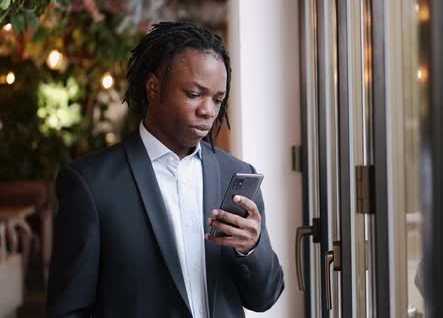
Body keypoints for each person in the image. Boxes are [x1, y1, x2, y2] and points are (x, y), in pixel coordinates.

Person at [46, 21, 285, 318]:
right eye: (194, 94)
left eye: (217, 99)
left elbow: (264, 298)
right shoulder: (90, 184)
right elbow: (68, 310)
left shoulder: (235, 176)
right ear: (154, 87)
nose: (208, 110)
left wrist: (252, 247)